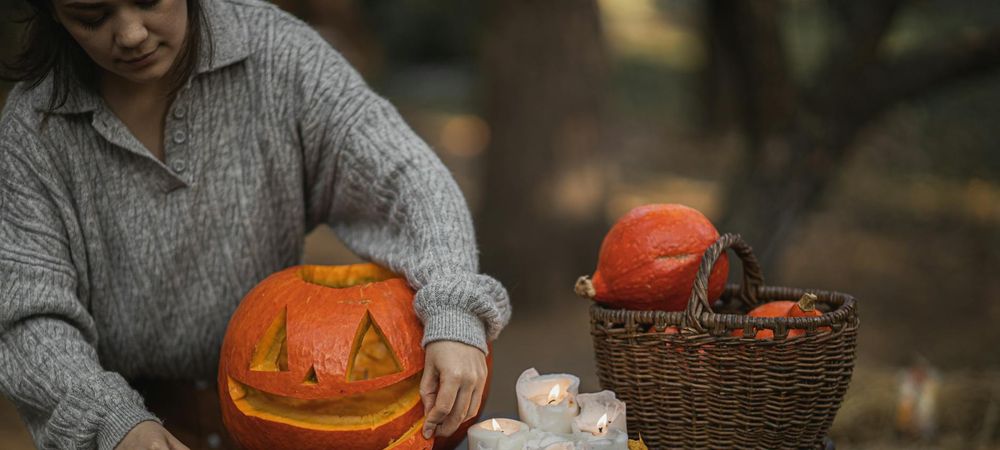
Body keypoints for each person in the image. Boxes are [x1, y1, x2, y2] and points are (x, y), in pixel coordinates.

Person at [0, 0, 511, 448]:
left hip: (292, 416)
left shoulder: (276, 53)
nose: (131, 33)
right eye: (91, 16)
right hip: (141, 423)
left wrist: (454, 306)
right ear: (52, 12)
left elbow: (404, 175)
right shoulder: (33, 129)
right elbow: (28, 317)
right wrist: (111, 423)